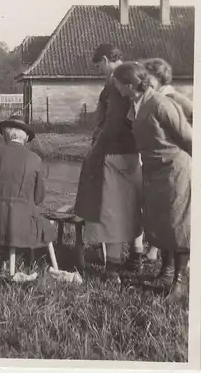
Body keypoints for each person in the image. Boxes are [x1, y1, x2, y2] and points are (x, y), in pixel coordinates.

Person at [113, 61, 192, 302]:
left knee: (177, 224)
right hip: (153, 170)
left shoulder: (160, 103)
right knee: (161, 222)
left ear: (128, 84)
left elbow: (188, 138)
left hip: (174, 170)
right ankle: (165, 273)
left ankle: (180, 284)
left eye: (117, 83)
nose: (115, 87)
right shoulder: (135, 104)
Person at [73, 44, 143, 283]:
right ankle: (136, 255)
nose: (99, 71)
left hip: (113, 152)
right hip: (133, 151)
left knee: (112, 209)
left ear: (105, 60)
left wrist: (96, 150)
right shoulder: (132, 77)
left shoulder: (115, 83)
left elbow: (112, 122)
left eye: (98, 66)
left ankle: (112, 268)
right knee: (131, 205)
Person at [0, 115, 56, 268]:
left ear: (6, 136)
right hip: (24, 224)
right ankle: (21, 257)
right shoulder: (35, 160)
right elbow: (39, 198)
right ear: (25, 138)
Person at [141, 58, 193, 264]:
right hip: (162, 164)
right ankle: (166, 267)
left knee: (177, 218)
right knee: (165, 217)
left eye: (148, 77)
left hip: (179, 161)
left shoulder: (173, 97)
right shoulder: (154, 98)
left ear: (159, 78)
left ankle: (178, 271)